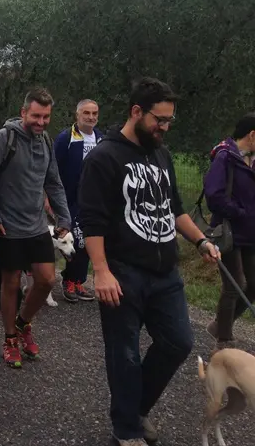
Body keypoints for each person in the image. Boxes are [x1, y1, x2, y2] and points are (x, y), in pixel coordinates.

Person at [79, 77, 220, 446]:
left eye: (170, 120)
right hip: (122, 271)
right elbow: (91, 219)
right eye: (160, 119)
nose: (165, 127)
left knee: (179, 342)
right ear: (136, 112)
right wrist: (101, 271)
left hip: (165, 271)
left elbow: (174, 208)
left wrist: (201, 239)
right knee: (123, 354)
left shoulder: (160, 153)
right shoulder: (104, 157)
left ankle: (134, 410)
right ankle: (126, 432)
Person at [0, 88, 71, 368]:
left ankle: (22, 324)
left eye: (45, 117)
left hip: (37, 225)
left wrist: (64, 218)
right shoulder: (3, 138)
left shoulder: (45, 140)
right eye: (36, 116)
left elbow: (53, 181)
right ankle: (9, 339)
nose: (41, 122)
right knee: (11, 283)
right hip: (8, 226)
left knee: (46, 280)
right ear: (23, 113)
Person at [204, 112, 255, 350]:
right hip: (229, 233)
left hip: (250, 235)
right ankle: (223, 341)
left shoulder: (252, 159)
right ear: (252, 135)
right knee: (235, 285)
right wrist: (241, 212)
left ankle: (220, 324)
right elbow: (214, 196)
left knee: (252, 285)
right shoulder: (225, 156)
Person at [53, 98, 103, 303]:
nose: (91, 117)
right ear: (77, 115)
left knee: (89, 240)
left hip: (94, 200)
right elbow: (53, 168)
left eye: (94, 114)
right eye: (86, 113)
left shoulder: (101, 139)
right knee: (74, 239)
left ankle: (79, 280)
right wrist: (50, 198)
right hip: (69, 199)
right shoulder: (66, 138)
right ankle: (68, 280)